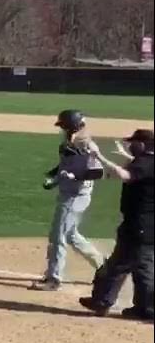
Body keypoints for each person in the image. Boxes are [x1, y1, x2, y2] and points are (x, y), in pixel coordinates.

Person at [79, 128, 154, 321]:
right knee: (134, 265)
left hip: (140, 225)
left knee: (129, 266)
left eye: (134, 142)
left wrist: (99, 156)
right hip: (144, 224)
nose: (131, 145)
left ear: (144, 144)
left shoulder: (146, 163)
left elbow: (126, 176)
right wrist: (127, 157)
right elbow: (137, 172)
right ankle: (138, 307)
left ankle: (106, 302)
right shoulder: (146, 162)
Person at [30, 109, 105, 291]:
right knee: (70, 235)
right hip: (68, 193)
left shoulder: (86, 145)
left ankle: (53, 279)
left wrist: (73, 175)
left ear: (71, 126)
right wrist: (54, 176)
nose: (62, 129)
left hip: (75, 196)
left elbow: (97, 172)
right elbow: (65, 164)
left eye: (64, 126)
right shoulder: (69, 142)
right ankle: (104, 267)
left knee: (59, 236)